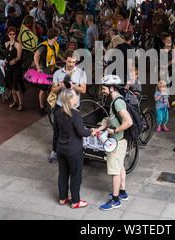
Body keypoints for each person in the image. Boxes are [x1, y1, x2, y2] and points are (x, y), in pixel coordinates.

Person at [92, 75, 133, 210]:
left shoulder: (117, 102)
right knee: (120, 166)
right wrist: (98, 129)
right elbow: (110, 119)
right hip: (121, 140)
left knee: (115, 171)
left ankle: (115, 200)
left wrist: (115, 131)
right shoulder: (114, 100)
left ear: (111, 88)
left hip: (117, 142)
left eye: (104, 88)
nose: (102, 91)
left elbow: (128, 122)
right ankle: (122, 192)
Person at [53, 88, 95, 209]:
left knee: (63, 174)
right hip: (74, 150)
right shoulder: (75, 114)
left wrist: (55, 148)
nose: (77, 98)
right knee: (76, 175)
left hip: (61, 148)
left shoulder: (58, 113)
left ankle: (62, 198)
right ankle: (75, 201)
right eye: (76, 96)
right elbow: (81, 131)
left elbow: (55, 132)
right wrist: (90, 131)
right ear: (70, 100)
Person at [34, 28, 60, 115]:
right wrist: (38, 68)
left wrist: (56, 66)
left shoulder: (54, 45)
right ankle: (42, 107)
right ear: (55, 37)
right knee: (43, 89)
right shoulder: (44, 46)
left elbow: (53, 58)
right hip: (44, 71)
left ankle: (51, 105)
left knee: (54, 87)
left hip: (52, 70)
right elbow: (36, 56)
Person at [4, 27, 24, 111]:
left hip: (16, 67)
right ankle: (15, 101)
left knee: (16, 85)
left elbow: (19, 56)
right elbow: (6, 55)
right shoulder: (6, 44)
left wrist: (14, 60)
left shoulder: (18, 44)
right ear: (8, 35)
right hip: (9, 67)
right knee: (11, 85)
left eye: (13, 34)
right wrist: (5, 62)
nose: (12, 35)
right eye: (10, 34)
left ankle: (20, 103)